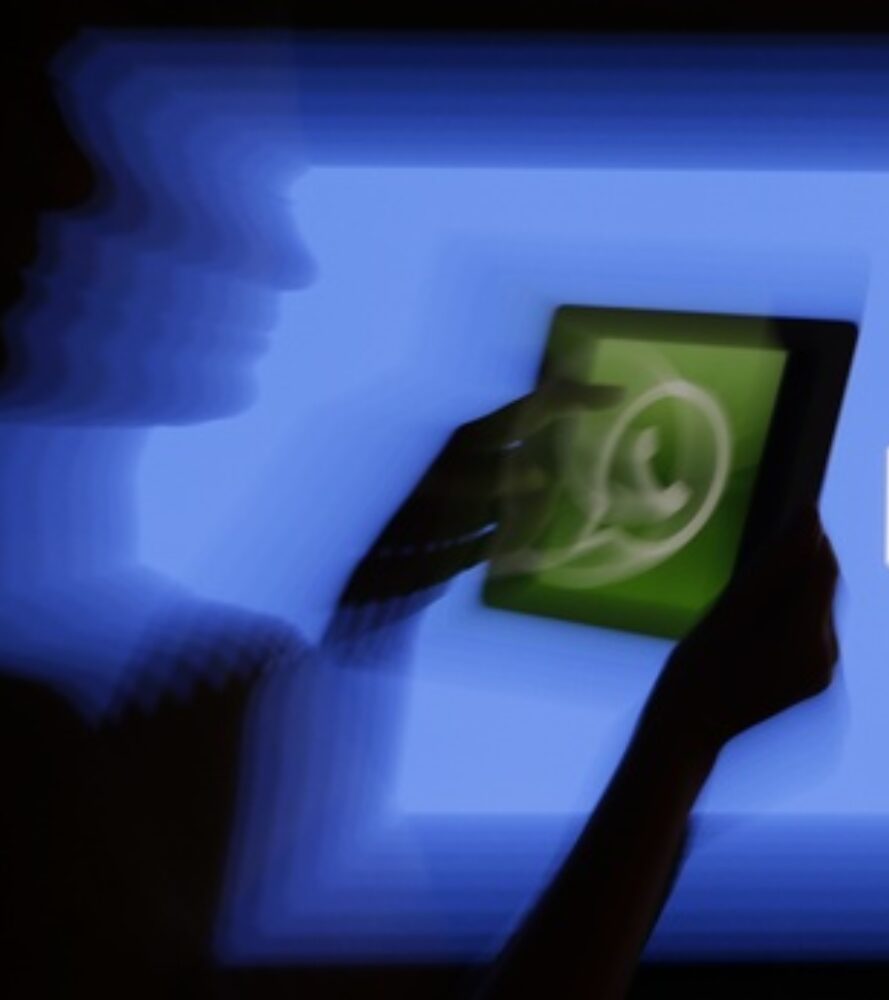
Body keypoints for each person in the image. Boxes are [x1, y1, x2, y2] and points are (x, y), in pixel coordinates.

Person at [0, 18, 841, 998]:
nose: (276, 255)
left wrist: (366, 626)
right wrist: (677, 751)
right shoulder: (40, 756)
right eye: (125, 173)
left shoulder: (92, 730)